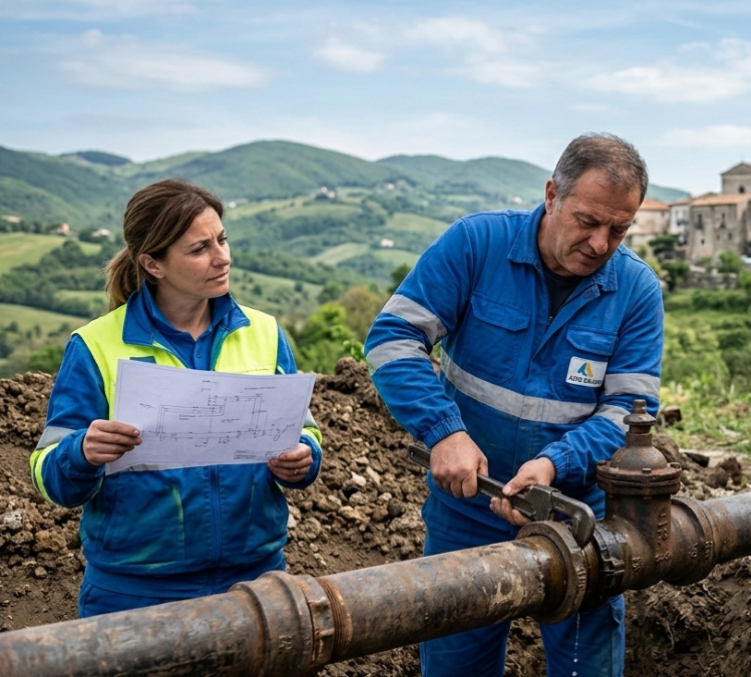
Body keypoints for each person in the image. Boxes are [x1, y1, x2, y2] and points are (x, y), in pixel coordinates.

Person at [365, 133, 663, 677]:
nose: (601, 243)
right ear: (552, 194)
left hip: (577, 515)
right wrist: (444, 432)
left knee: (585, 665)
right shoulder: (476, 245)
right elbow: (393, 339)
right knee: (458, 661)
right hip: (469, 508)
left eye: (619, 229)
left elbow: (630, 411)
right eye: (588, 221)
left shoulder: (636, 290)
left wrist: (555, 464)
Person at [30, 179, 323, 618]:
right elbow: (47, 472)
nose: (222, 257)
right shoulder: (95, 345)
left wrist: (304, 456)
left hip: (255, 584)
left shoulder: (263, 332)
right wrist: (83, 452)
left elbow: (304, 430)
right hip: (135, 594)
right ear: (153, 264)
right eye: (199, 248)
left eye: (221, 239)